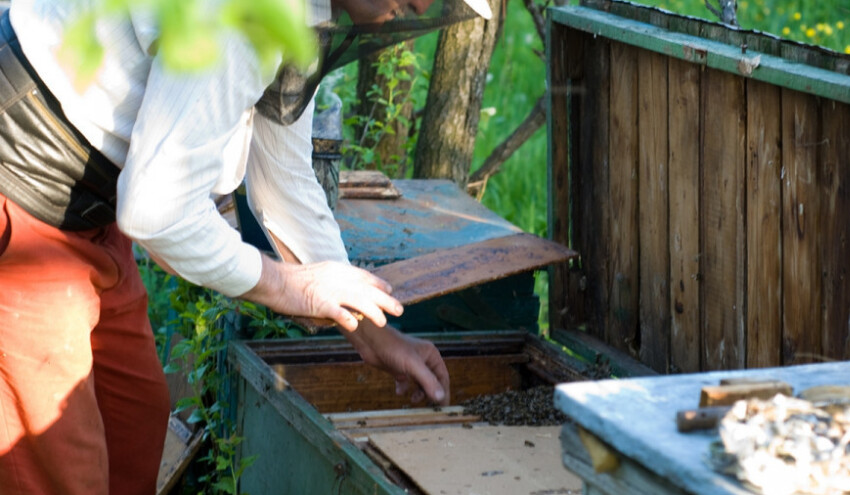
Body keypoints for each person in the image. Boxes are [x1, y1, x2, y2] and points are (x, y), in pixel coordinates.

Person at [0, 0, 489, 492]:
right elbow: (156, 212)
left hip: (92, 214)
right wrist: (290, 287)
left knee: (134, 427)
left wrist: (372, 332)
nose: (425, 4)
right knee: (57, 470)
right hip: (22, 199)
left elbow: (284, 180)